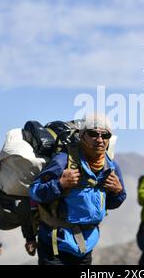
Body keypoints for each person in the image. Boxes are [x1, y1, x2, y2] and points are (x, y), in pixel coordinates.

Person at [30, 113, 127, 265]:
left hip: (86, 245)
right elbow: (35, 191)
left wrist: (118, 191)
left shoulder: (111, 166)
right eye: (93, 134)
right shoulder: (63, 160)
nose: (100, 140)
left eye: (105, 135)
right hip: (55, 245)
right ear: (82, 135)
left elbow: (112, 203)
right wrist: (60, 184)